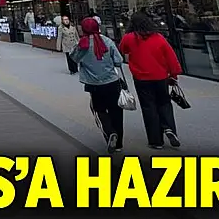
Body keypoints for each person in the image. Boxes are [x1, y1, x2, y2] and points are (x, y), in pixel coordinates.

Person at [119, 12, 183, 150]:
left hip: (141, 78)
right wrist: (174, 74)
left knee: (148, 107)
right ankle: (169, 127)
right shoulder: (158, 37)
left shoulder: (129, 38)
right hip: (160, 76)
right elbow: (170, 56)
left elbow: (122, 49)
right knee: (164, 103)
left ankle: (156, 141)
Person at [70, 18, 124, 154]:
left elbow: (74, 58)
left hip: (94, 84)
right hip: (112, 82)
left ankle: (109, 132)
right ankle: (118, 144)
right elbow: (119, 60)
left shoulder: (82, 44)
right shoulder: (107, 41)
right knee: (116, 111)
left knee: (99, 110)